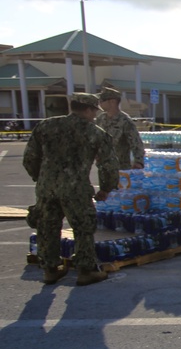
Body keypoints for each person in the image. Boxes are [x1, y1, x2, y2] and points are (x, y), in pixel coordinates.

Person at [23, 93, 118, 286]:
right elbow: (108, 165)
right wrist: (106, 189)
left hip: (46, 187)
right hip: (76, 189)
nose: (94, 116)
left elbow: (30, 158)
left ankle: (50, 269)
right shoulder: (95, 132)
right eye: (94, 112)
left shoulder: (45, 126)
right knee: (83, 228)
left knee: (47, 227)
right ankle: (86, 270)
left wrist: (40, 178)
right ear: (88, 109)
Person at [96, 87, 145, 170]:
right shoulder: (101, 119)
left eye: (102, 101)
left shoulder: (125, 121)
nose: (100, 103)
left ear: (112, 102)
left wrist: (138, 162)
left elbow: (136, 143)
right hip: (103, 166)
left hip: (120, 168)